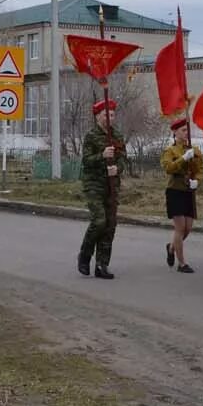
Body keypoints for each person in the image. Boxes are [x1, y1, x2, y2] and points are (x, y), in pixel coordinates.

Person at [77, 98, 122, 280]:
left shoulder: (117, 136)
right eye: (106, 115)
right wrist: (102, 156)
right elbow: (86, 161)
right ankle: (85, 255)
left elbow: (123, 158)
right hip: (94, 183)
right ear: (98, 117)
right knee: (99, 221)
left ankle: (102, 264)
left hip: (111, 185)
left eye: (112, 115)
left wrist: (117, 168)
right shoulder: (91, 136)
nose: (109, 118)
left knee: (110, 225)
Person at [160, 118, 203, 273]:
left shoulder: (194, 150)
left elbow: (200, 168)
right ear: (175, 132)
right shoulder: (170, 151)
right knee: (180, 228)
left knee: (188, 229)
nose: (186, 133)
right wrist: (183, 158)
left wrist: (197, 181)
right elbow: (169, 168)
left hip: (188, 192)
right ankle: (182, 263)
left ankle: (171, 248)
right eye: (183, 130)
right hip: (175, 191)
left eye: (187, 130)